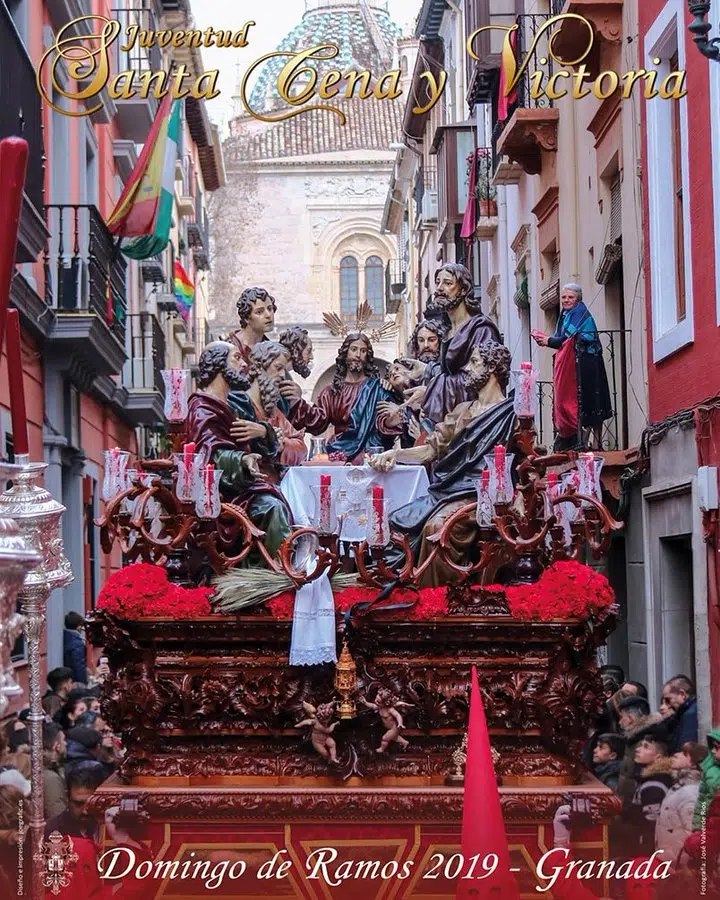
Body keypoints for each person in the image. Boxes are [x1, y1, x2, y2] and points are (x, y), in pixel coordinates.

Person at [370, 343, 516, 585]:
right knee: (394, 522)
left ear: (492, 369)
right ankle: (402, 587)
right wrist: (395, 455)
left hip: (480, 495)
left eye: (475, 362)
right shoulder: (462, 411)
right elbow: (430, 449)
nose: (468, 369)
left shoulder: (510, 414)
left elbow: (523, 462)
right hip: (447, 491)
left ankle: (438, 601)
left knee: (437, 529)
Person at [185, 342, 293, 557]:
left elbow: (256, 440)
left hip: (241, 488)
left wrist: (266, 433)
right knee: (271, 508)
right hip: (220, 492)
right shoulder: (202, 408)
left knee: (278, 500)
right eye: (236, 358)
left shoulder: (230, 405)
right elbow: (211, 453)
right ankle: (275, 574)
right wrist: (242, 460)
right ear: (218, 364)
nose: (244, 363)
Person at [404, 264, 502, 426]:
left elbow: (480, 379)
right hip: (450, 423)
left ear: (463, 290)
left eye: (448, 283)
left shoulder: (481, 329)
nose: (440, 289)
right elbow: (451, 376)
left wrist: (430, 391)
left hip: (474, 422)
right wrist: (428, 370)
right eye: (437, 283)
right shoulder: (447, 332)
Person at [531, 283, 612, 451]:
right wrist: (547, 339)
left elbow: (568, 337)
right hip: (577, 362)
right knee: (585, 401)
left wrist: (548, 341)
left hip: (588, 361)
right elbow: (561, 337)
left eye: (570, 297)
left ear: (578, 299)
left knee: (591, 400)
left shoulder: (579, 313)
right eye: (564, 297)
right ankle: (585, 441)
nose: (566, 300)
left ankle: (592, 443)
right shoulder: (566, 314)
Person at [228, 341, 307, 469]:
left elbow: (301, 448)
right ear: (259, 367)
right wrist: (271, 437)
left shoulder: (273, 410)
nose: (282, 375)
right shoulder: (238, 404)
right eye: (278, 368)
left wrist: (281, 444)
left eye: (284, 370)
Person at [623, 729, 674, 856]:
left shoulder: (654, 784)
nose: (638, 749)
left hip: (647, 846)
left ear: (658, 758)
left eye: (646, 747)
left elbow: (651, 823)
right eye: (640, 745)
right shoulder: (648, 778)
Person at [656, 742, 708, 864]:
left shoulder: (692, 792)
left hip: (681, 866)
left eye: (684, 754)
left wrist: (683, 864)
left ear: (694, 762)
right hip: (669, 861)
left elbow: (694, 833)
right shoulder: (678, 787)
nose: (676, 754)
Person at [226, 286, 276, 366]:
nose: (268, 315)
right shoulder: (229, 348)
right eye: (259, 312)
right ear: (246, 318)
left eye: (270, 309)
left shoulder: (271, 350)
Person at [693, 726, 720, 831]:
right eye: (712, 747)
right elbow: (703, 801)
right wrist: (699, 826)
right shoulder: (710, 770)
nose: (713, 751)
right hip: (710, 826)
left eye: (717, 747)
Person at [662, 675, 698, 751]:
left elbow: (685, 749)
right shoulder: (686, 713)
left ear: (682, 694)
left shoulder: (690, 715)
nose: (667, 705)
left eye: (668, 700)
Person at [43, 722, 68, 819]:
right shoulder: (50, 778)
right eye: (64, 740)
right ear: (56, 746)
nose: (66, 743)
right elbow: (57, 817)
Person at [63, 610, 88, 684]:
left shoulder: (66, 637)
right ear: (79, 626)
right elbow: (79, 665)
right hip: (74, 680)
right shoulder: (77, 643)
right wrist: (83, 683)